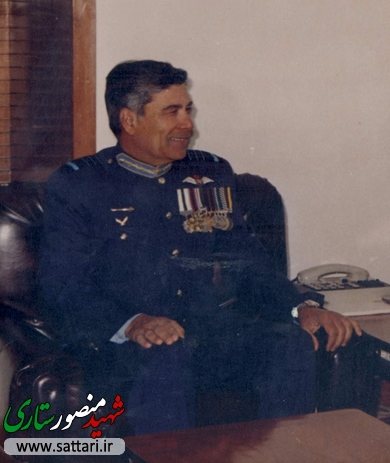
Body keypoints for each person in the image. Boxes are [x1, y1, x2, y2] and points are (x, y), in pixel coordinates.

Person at [39, 60, 362, 434]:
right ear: (129, 120)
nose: (187, 124)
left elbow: (248, 261)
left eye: (187, 110)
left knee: (289, 344)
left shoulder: (209, 174)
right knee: (166, 356)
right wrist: (133, 323)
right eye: (172, 112)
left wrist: (301, 307)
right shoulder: (79, 185)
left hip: (209, 335)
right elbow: (64, 285)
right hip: (126, 346)